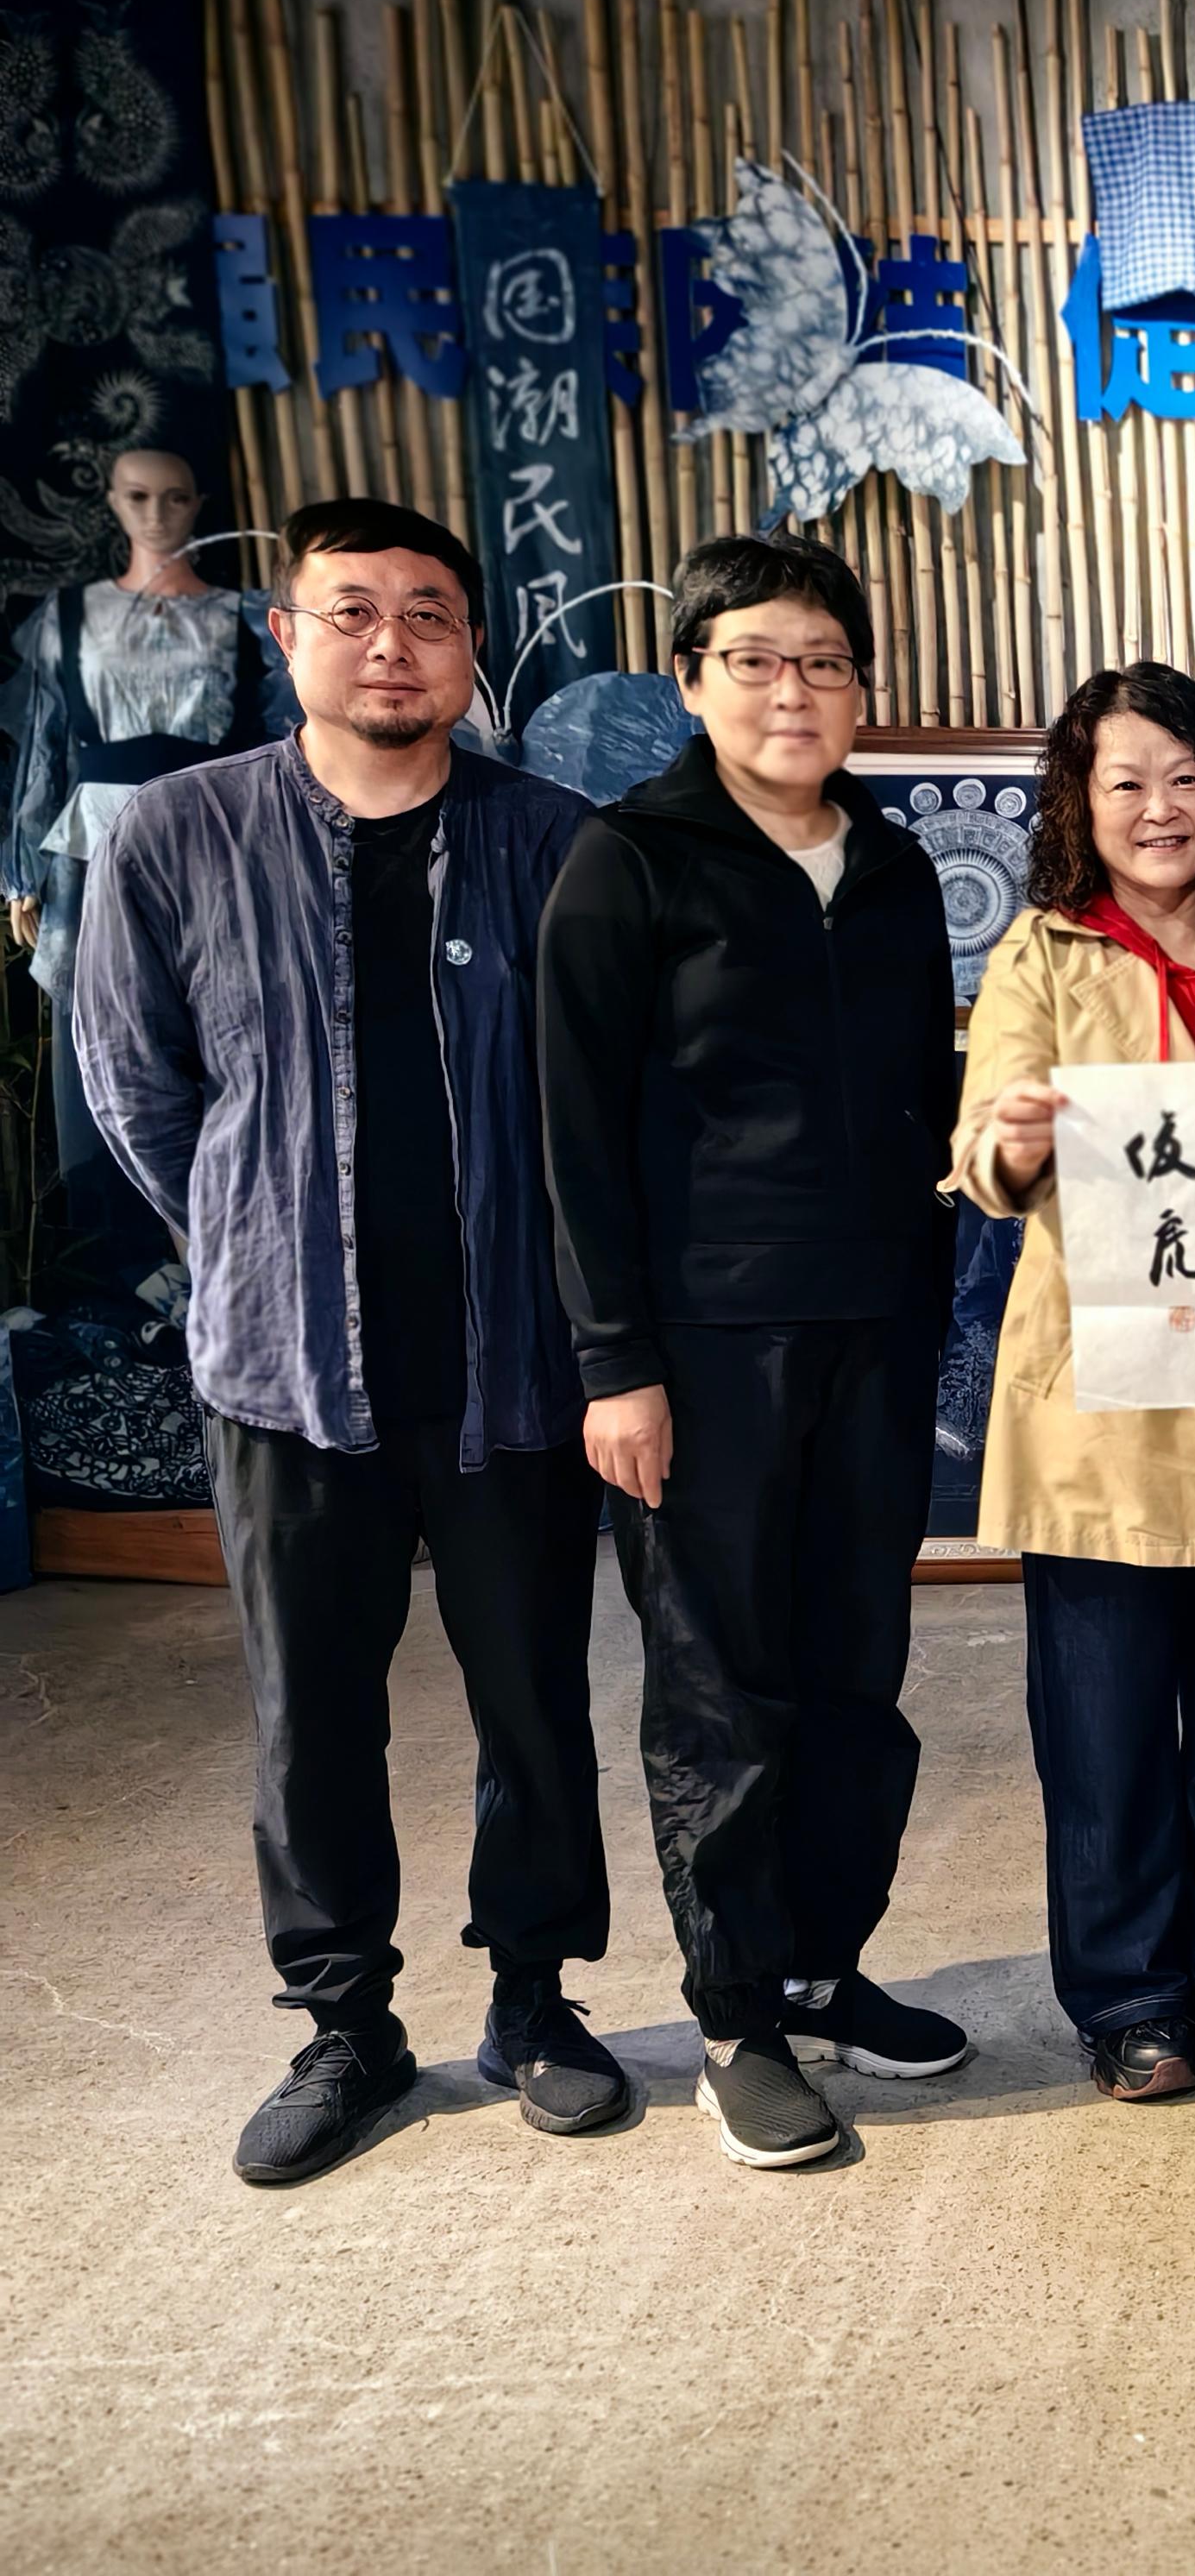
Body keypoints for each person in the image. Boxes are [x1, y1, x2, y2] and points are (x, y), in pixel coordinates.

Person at [71, 495, 620, 2185]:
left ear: (471, 647)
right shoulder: (177, 833)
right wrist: (257, 1238)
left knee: (533, 1698)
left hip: (509, 1359)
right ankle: (346, 2025)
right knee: (312, 1710)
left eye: (428, 614)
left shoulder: (557, 840)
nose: (392, 645)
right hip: (285, 1366)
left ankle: (532, 1999)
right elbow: (133, 1082)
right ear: (287, 635)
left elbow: (607, 1087)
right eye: (353, 611)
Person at [537, 532, 965, 2172]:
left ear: (861, 689)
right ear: (693, 679)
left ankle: (822, 1967)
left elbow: (924, 1100)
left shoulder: (895, 864)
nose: (795, 692)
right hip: (704, 1343)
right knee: (722, 1684)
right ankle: (736, 2021)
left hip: (875, 1326)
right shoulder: (631, 858)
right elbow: (576, 1133)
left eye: (826, 663)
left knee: (857, 1670)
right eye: (758, 660)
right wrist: (613, 1365)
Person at [953, 664, 1195, 2103]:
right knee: (1103, 1735)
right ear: (1078, 807)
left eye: (1186, 778)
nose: (1160, 809)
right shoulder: (1042, 953)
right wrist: (1019, 1139)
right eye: (1126, 783)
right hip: (1101, 1401)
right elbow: (980, 1155)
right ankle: (1129, 1996)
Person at [6, 448, 286, 1291]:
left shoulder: (245, 616)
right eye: (139, 496)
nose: (158, 513)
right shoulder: (68, 618)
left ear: (199, 502)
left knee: (216, 1029)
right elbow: (44, 744)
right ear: (114, 502)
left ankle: (226, 1256)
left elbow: (286, 738)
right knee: (111, 1035)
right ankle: (143, 1271)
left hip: (216, 840)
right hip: (96, 842)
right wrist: (20, 870)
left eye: (174, 497)